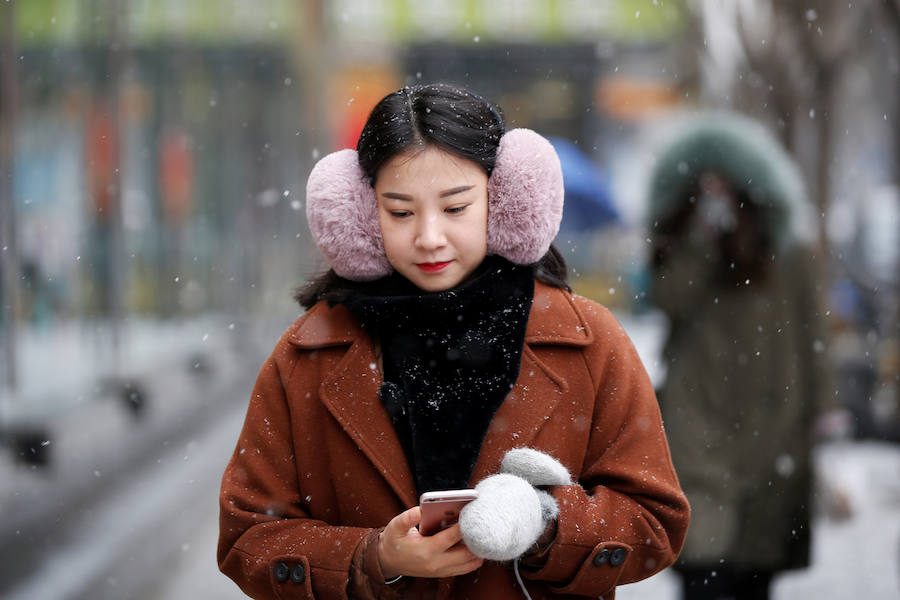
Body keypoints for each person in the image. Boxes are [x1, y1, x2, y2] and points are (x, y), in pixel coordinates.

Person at [218, 83, 689, 600]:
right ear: (359, 214)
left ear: (507, 200)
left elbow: (655, 523)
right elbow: (248, 536)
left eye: (455, 208)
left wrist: (547, 523)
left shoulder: (591, 343)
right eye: (400, 212)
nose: (429, 237)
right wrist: (374, 557)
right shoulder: (306, 357)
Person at [645, 113, 832, 600]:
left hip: (773, 420)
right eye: (703, 183)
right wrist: (701, 239)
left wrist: (822, 408)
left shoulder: (786, 252)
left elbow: (814, 333)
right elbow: (668, 299)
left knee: (754, 570)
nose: (715, 191)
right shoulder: (682, 244)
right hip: (697, 420)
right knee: (702, 568)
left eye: (725, 182)